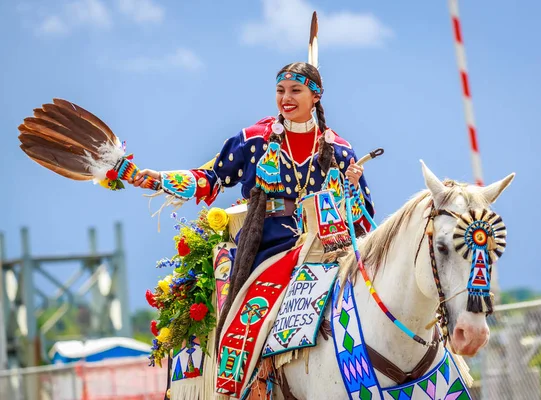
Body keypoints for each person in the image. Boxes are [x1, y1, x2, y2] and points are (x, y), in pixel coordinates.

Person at [131, 61, 374, 398]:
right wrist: (158, 179)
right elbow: (211, 177)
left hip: (328, 250)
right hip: (267, 249)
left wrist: (350, 188)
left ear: (315, 96)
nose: (286, 98)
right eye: (280, 91)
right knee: (245, 324)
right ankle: (241, 388)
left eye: (295, 90)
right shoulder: (255, 140)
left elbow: (362, 220)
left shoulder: (339, 150)